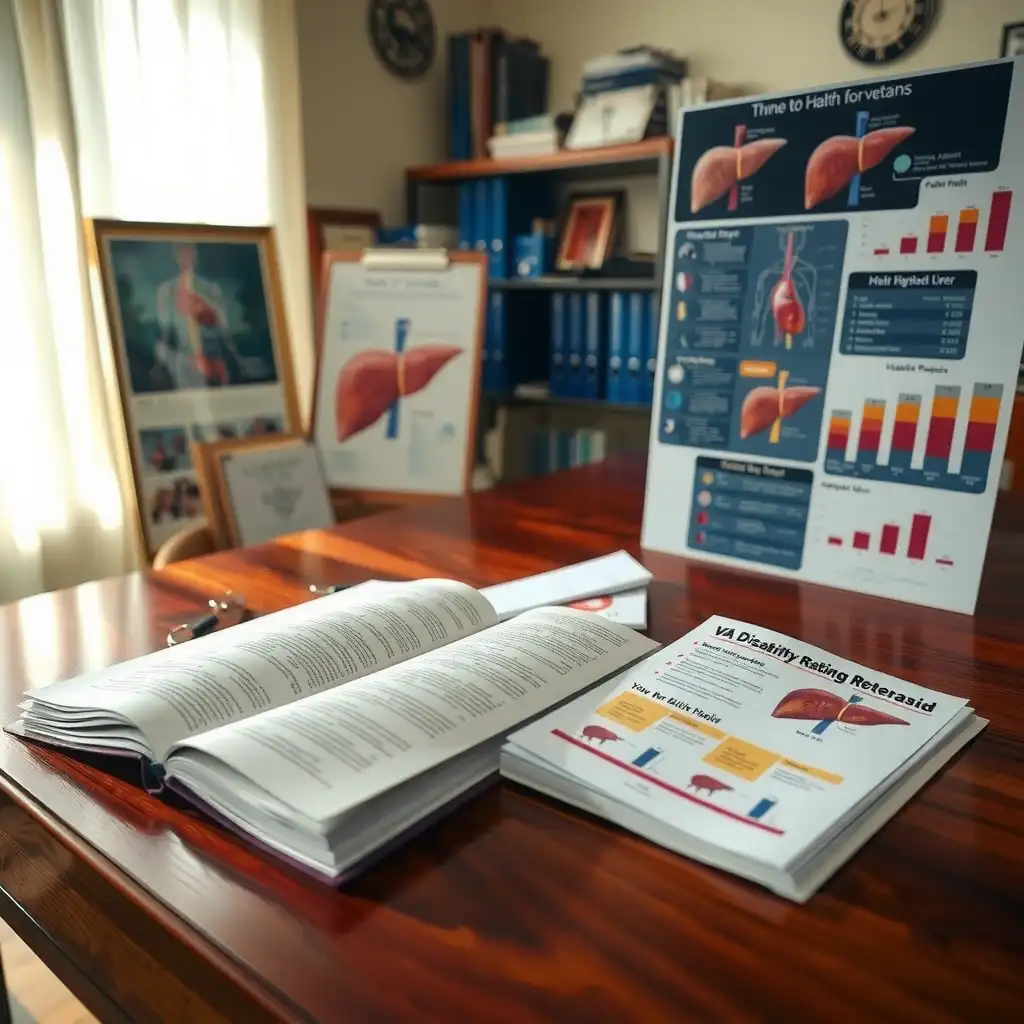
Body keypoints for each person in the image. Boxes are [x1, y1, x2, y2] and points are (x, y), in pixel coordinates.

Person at [154, 243, 241, 389]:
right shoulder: (166, 291)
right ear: (175, 256)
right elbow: (164, 331)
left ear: (196, 254)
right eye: (182, 251)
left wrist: (207, 314)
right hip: (181, 362)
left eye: (190, 251)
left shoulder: (211, 289)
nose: (186, 255)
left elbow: (223, 329)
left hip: (212, 360)